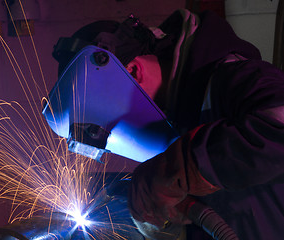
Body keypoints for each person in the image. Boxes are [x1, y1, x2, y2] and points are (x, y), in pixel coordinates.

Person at [52, 9, 284, 240]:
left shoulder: (233, 78)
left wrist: (186, 165)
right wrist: (168, 230)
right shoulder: (177, 128)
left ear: (132, 71)